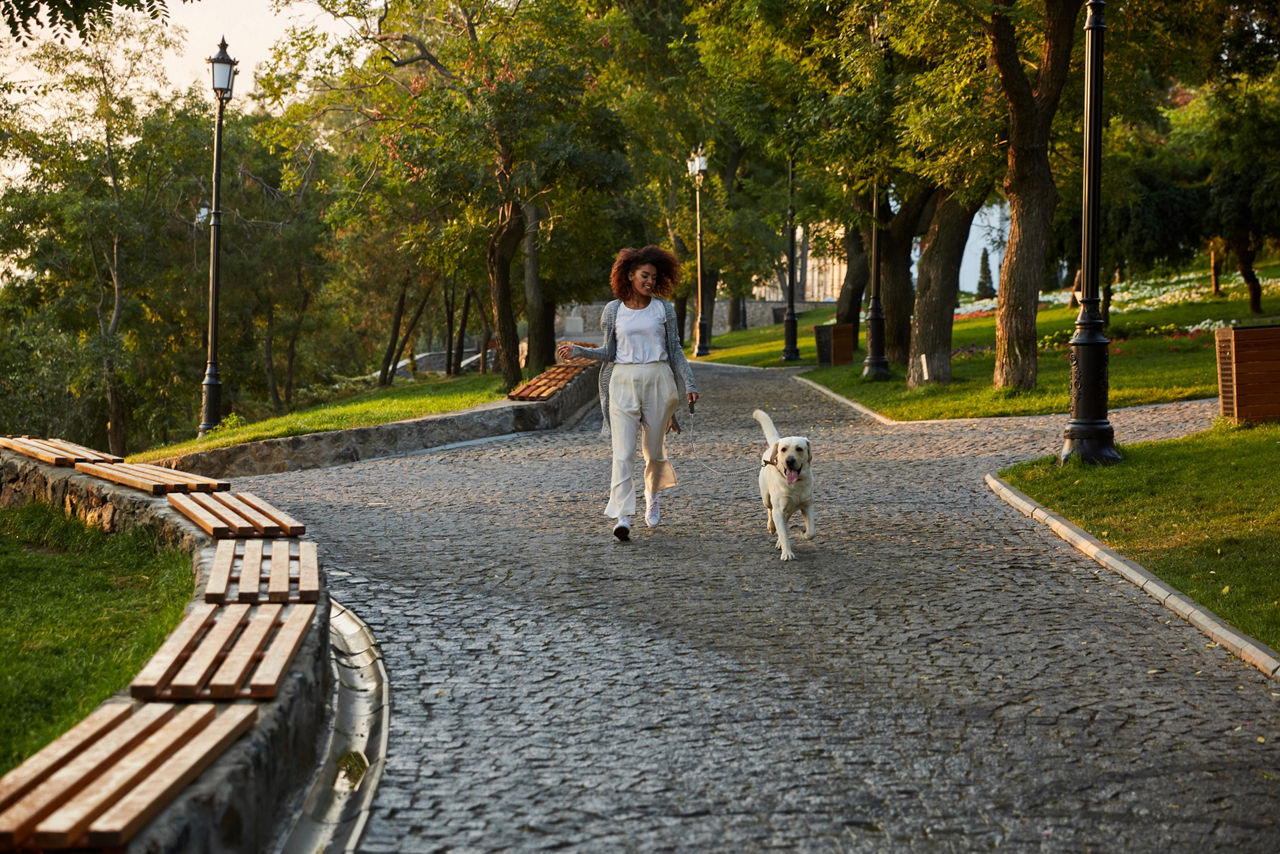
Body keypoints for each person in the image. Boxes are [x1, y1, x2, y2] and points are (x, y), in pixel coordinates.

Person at [557, 245, 699, 542]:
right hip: (622, 381)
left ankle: (652, 494)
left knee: (653, 451)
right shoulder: (614, 310)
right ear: (630, 275)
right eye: (644, 275)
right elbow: (609, 351)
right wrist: (579, 350)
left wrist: (690, 384)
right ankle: (622, 516)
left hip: (658, 379)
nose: (649, 281)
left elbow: (675, 352)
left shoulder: (664, 309)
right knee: (622, 452)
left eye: (654, 276)